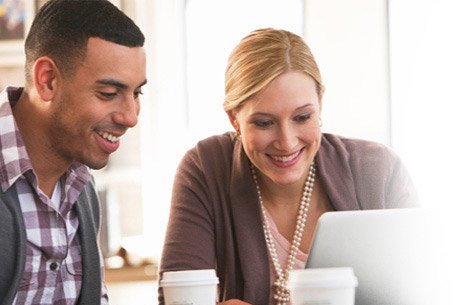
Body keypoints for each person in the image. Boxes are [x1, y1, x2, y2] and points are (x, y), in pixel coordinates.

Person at [158, 28, 418, 305]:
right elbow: (179, 297)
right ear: (234, 119)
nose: (286, 142)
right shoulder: (206, 168)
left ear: (320, 105)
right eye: (264, 122)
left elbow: (426, 289)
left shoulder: (378, 171)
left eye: (303, 117)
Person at [0, 0, 147, 304]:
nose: (131, 117)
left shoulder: (82, 189)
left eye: (136, 93)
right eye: (109, 93)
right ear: (48, 80)